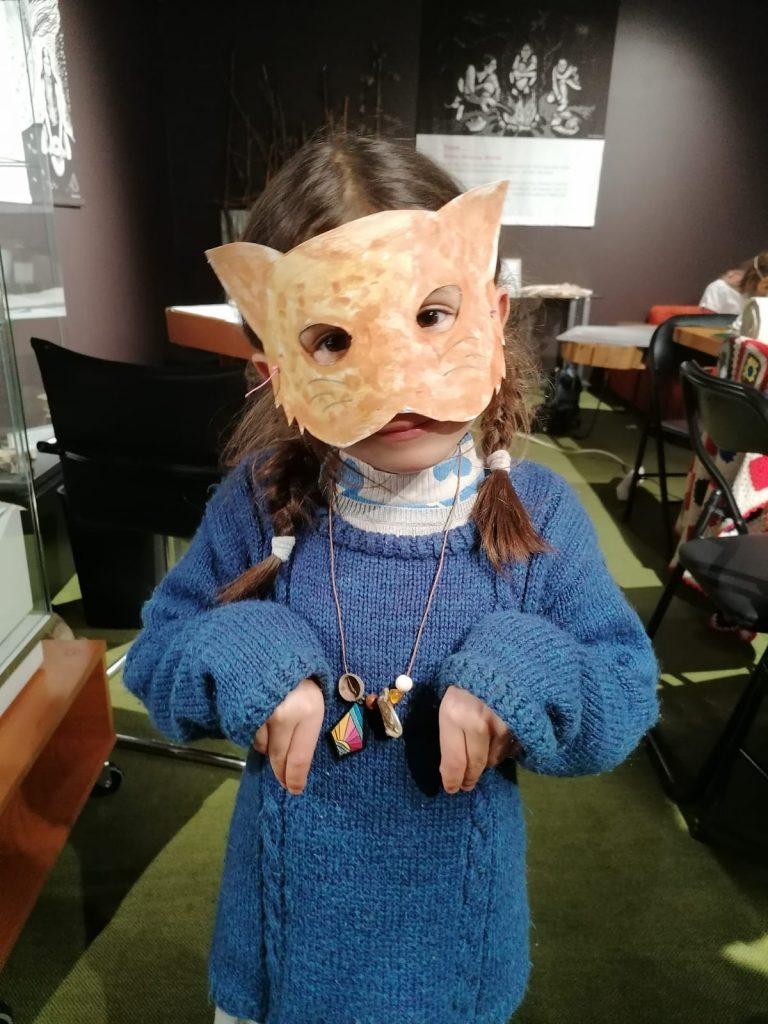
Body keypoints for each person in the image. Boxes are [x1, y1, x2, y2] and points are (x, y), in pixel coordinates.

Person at [123, 134, 658, 1024]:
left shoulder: (539, 518)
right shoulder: (258, 504)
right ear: (274, 369)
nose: (396, 376)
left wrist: (521, 673)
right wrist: (244, 650)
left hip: (453, 961)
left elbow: (624, 689)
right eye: (334, 339)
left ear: (491, 315)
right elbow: (157, 656)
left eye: (431, 316)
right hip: (282, 954)